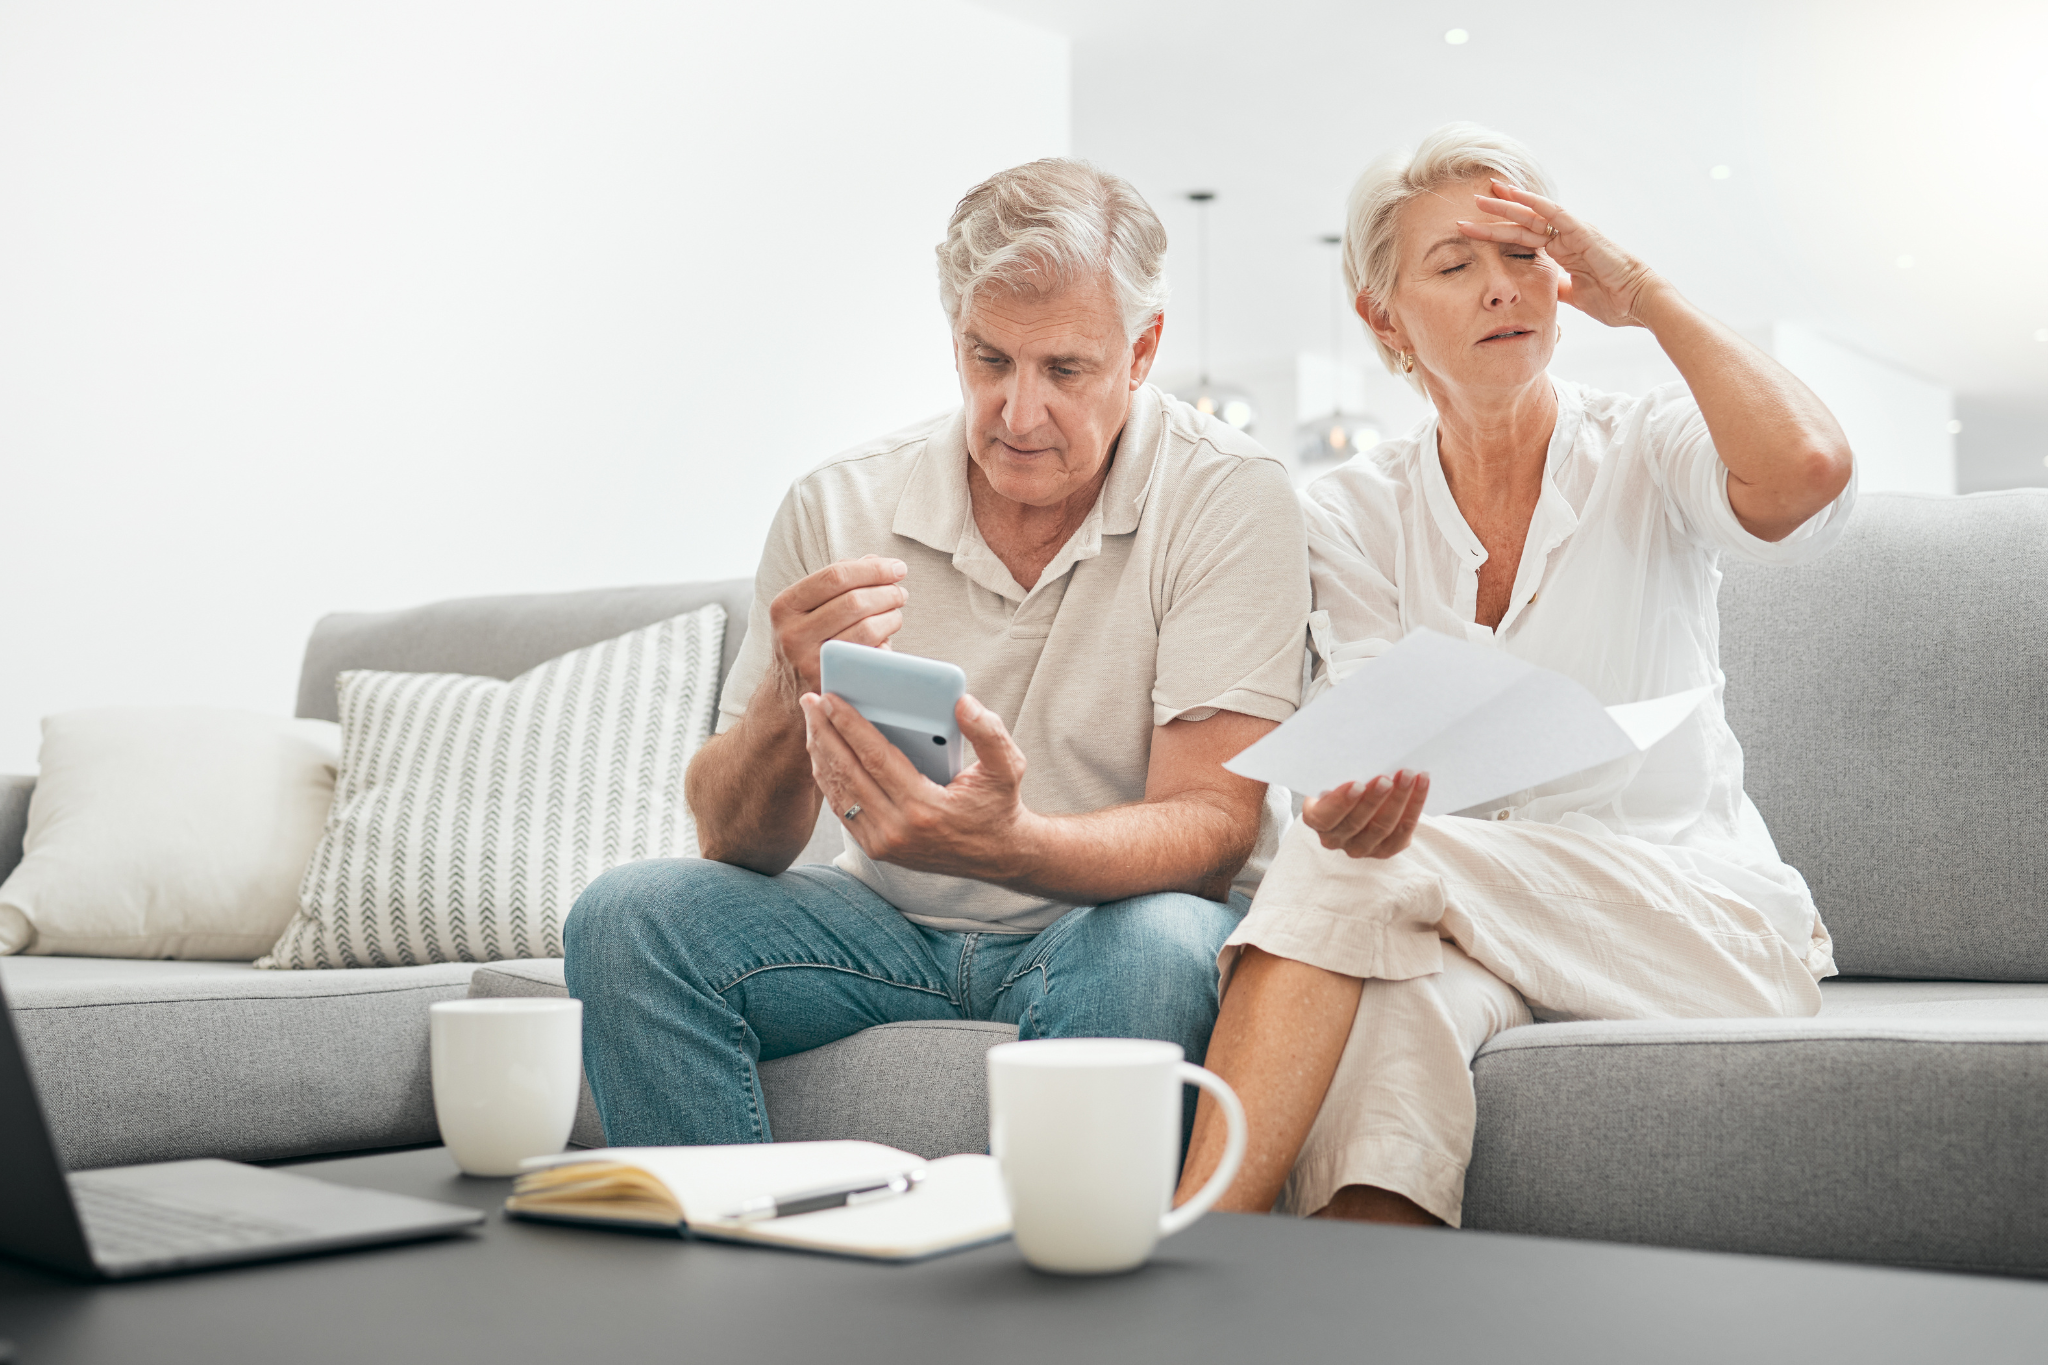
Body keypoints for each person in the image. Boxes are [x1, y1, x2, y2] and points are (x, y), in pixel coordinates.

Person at [1174, 124, 1855, 1228]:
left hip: (1691, 921)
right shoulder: (1346, 514)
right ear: (1381, 318)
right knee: (1391, 1014)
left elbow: (1807, 471)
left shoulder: (1647, 446)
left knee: (1344, 876)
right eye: (1454, 265)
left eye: (1525, 256)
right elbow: (1375, 749)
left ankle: (1193, 1248)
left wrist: (1639, 293)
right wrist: (1354, 807)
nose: (1501, 288)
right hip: (1463, 919)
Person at [564, 158, 1311, 1146]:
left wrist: (1013, 848)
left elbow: (1212, 831)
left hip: (1107, 923)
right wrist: (788, 697)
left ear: (1142, 350)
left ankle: (1070, 1290)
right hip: (884, 929)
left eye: (1064, 370)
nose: (1016, 414)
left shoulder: (1228, 496)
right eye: (988, 359)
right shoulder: (837, 504)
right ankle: (725, 1269)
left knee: (1160, 946)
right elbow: (732, 844)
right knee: (626, 917)